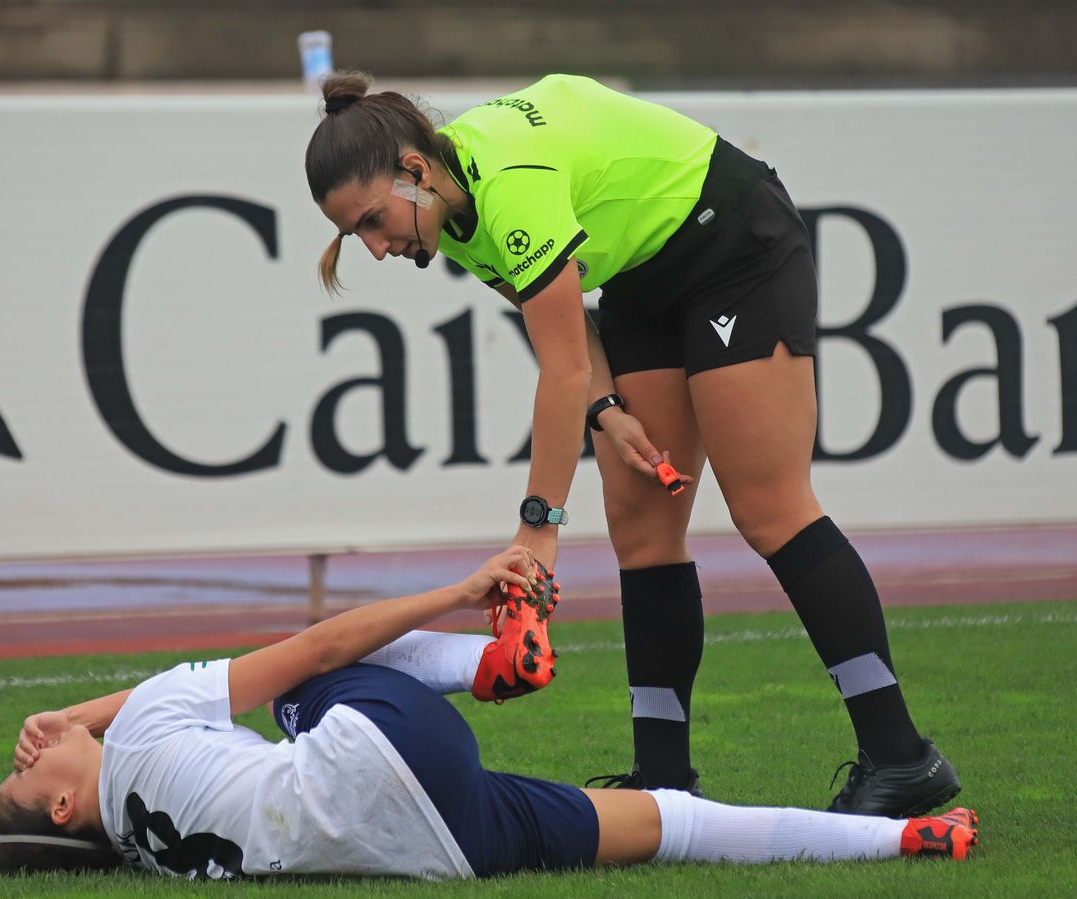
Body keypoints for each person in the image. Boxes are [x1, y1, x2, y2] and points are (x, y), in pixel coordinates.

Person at [305, 72, 960, 814]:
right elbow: (565, 335)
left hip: (733, 242)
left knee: (769, 509)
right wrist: (609, 408)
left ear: (414, 171)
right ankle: (663, 779)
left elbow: (560, 368)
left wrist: (537, 531)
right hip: (645, 276)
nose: (375, 247)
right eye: (353, 233)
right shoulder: (452, 217)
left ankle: (901, 755)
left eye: (369, 221)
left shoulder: (508, 185)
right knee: (642, 528)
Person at [0, 547, 977, 879]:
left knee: (658, 825)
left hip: (415, 841)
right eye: (27, 763)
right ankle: (493, 657)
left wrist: (68, 718)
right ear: (67, 806)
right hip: (374, 755)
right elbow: (330, 645)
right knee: (292, 678)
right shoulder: (151, 723)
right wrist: (463, 592)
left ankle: (901, 838)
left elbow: (125, 726)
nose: (32, 744)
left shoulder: (146, 838)